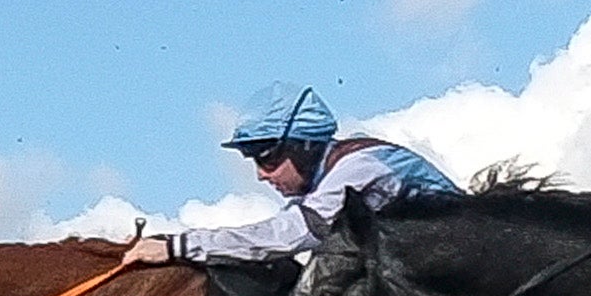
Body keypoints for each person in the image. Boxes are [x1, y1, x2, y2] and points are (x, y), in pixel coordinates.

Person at [114, 86, 461, 272]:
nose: (261, 174)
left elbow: (286, 236)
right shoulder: (326, 180)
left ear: (306, 147)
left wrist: (178, 247)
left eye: (268, 157)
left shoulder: (358, 170)